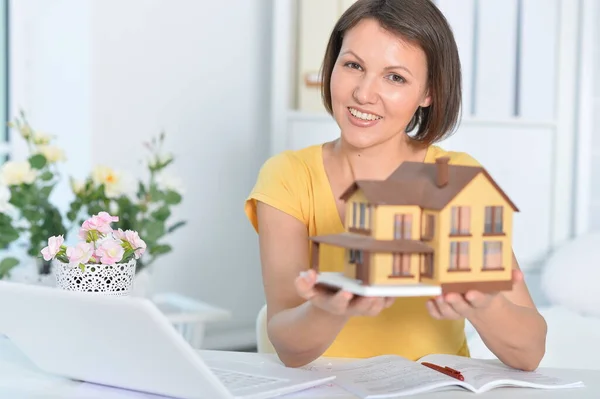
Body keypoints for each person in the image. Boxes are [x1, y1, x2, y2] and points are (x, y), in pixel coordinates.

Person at [244, 0, 547, 370]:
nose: (364, 94)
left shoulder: (455, 177)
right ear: (332, 66)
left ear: (428, 93)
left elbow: (530, 353)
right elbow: (287, 344)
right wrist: (327, 309)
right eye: (353, 65)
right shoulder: (288, 176)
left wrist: (486, 306)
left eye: (395, 77)